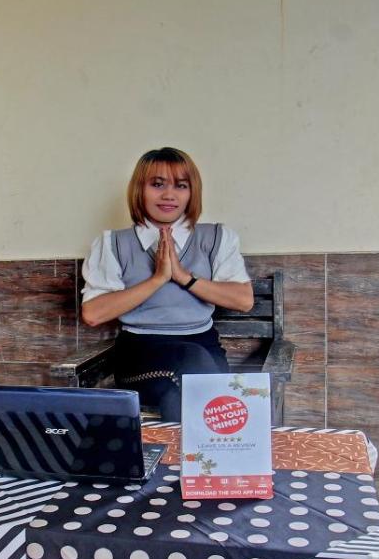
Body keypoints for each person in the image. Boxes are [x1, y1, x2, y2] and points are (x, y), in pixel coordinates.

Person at [81, 147, 254, 421]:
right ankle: (211, 448)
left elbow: (243, 300)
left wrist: (185, 277)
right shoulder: (113, 243)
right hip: (140, 353)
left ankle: (171, 450)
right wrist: (158, 279)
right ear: (139, 190)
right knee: (194, 368)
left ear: (192, 192)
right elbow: (93, 314)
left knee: (180, 390)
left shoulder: (217, 237)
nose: (169, 195)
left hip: (203, 346)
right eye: (157, 184)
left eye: (181, 186)